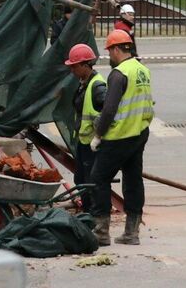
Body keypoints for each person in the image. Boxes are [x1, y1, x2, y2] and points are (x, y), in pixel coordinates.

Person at [88, 29, 153, 246]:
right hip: (139, 134)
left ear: (116, 49)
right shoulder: (142, 70)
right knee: (133, 180)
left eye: (110, 51)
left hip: (118, 137)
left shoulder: (119, 74)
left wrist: (98, 135)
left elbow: (109, 110)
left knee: (99, 178)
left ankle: (101, 232)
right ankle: (132, 233)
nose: (110, 57)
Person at [64, 43, 106, 199]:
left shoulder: (98, 86)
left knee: (90, 182)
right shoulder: (84, 84)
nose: (72, 70)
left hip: (92, 144)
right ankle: (88, 213)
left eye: (74, 66)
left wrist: (99, 136)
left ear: (85, 65)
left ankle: (93, 214)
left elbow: (108, 113)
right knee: (81, 179)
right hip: (84, 141)